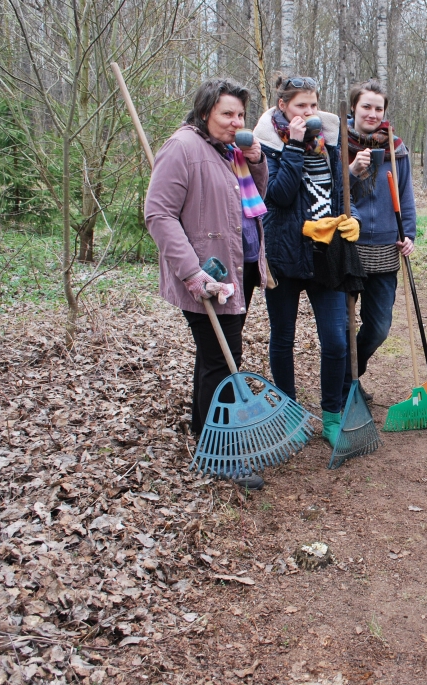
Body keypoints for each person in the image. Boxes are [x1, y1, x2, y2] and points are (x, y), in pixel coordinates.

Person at [145, 78, 268, 490]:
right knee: (223, 359)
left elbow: (252, 201)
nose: (236, 122)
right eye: (226, 114)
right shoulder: (183, 148)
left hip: (239, 268)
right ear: (204, 113)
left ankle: (204, 431)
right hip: (209, 275)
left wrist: (256, 161)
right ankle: (222, 454)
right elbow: (158, 215)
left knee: (214, 356)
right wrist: (194, 274)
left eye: (240, 115)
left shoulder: (229, 151)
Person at [252, 76, 361, 449]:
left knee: (335, 341)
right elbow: (278, 196)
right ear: (283, 106)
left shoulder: (330, 145)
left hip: (325, 256)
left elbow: (342, 192)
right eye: (301, 106)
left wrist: (353, 217)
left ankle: (331, 416)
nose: (310, 113)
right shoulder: (265, 148)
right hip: (284, 255)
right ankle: (289, 413)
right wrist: (294, 147)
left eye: (313, 105)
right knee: (283, 338)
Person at [344, 79, 417, 402]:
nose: (372, 113)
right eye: (366, 107)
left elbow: (406, 195)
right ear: (353, 109)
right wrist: (352, 171)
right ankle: (345, 386)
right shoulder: (336, 143)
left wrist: (409, 235)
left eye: (378, 108)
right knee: (342, 326)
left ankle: (350, 374)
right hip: (347, 246)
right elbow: (336, 193)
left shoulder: (395, 149)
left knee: (379, 327)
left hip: (386, 247)